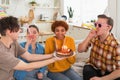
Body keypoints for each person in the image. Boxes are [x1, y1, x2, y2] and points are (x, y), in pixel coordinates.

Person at [0, 16, 65, 80]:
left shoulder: (14, 43)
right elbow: (27, 67)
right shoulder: (1, 52)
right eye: (17, 28)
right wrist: (54, 59)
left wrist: (52, 55)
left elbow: (29, 56)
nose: (20, 30)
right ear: (9, 31)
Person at [78, 14, 120, 80]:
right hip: (93, 67)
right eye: (95, 24)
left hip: (108, 71)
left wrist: (102, 79)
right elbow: (80, 50)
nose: (96, 27)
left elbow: (119, 71)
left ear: (108, 27)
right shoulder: (94, 37)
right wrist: (89, 37)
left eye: (99, 25)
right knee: (87, 70)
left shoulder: (116, 45)